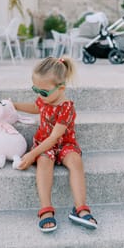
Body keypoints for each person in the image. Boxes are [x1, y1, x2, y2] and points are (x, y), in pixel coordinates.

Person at [13, 56, 97, 233]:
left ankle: (80, 208)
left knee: (76, 162)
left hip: (63, 143)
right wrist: (13, 105)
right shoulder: (44, 100)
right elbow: (36, 107)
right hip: (45, 145)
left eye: (43, 92)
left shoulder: (66, 107)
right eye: (35, 89)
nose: (39, 95)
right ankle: (46, 209)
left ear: (61, 89)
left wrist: (31, 154)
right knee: (44, 162)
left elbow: (54, 138)